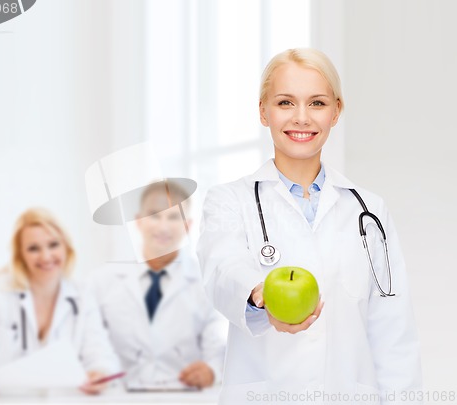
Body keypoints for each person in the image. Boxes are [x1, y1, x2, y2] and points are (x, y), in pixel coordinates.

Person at [196, 48, 422, 404]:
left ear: (336, 111)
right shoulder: (229, 201)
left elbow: (393, 333)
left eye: (317, 103)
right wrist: (259, 295)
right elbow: (222, 268)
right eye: (285, 103)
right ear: (263, 112)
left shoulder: (369, 211)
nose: (301, 118)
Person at [0, 208, 120, 396]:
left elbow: (101, 355)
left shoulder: (82, 294)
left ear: (66, 247)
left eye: (53, 245)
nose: (46, 256)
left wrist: (99, 373)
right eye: (33, 248)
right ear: (20, 255)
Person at [91, 180, 226, 390]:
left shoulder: (206, 281)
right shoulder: (102, 282)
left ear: (187, 225)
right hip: (119, 397)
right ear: (138, 221)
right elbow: (92, 344)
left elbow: (218, 349)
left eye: (173, 217)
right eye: (154, 215)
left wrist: (211, 371)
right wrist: (98, 371)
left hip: (182, 398)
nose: (163, 226)